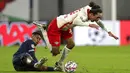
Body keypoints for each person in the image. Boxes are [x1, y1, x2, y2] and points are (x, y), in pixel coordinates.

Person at [34, 1, 119, 72]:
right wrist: (89, 24)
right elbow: (76, 21)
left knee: (71, 44)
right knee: (54, 52)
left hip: (66, 26)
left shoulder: (90, 11)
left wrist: (109, 32)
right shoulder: (83, 15)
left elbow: (99, 22)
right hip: (57, 25)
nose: (97, 20)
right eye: (97, 17)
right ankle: (43, 30)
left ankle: (59, 64)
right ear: (92, 14)